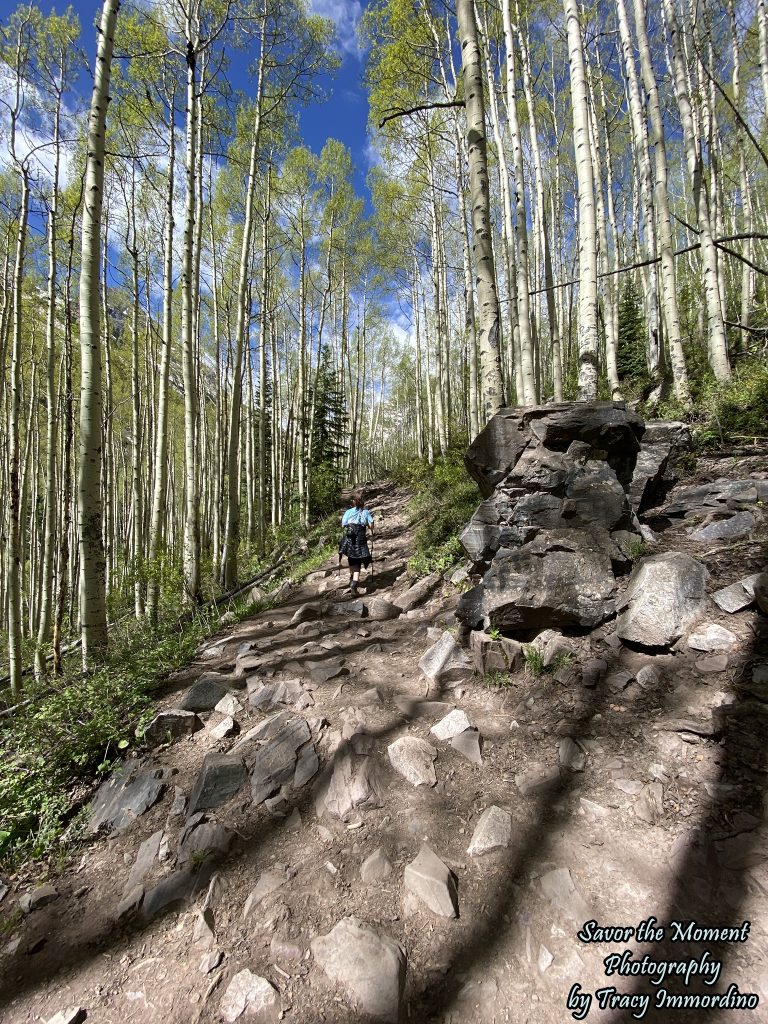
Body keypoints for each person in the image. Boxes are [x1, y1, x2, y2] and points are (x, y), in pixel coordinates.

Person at [339, 491, 374, 596]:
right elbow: (371, 526)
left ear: (353, 502)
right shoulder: (366, 512)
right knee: (358, 562)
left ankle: (351, 579)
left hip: (349, 539)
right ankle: (354, 586)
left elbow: (343, 524)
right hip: (361, 539)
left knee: (352, 559)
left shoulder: (348, 512)